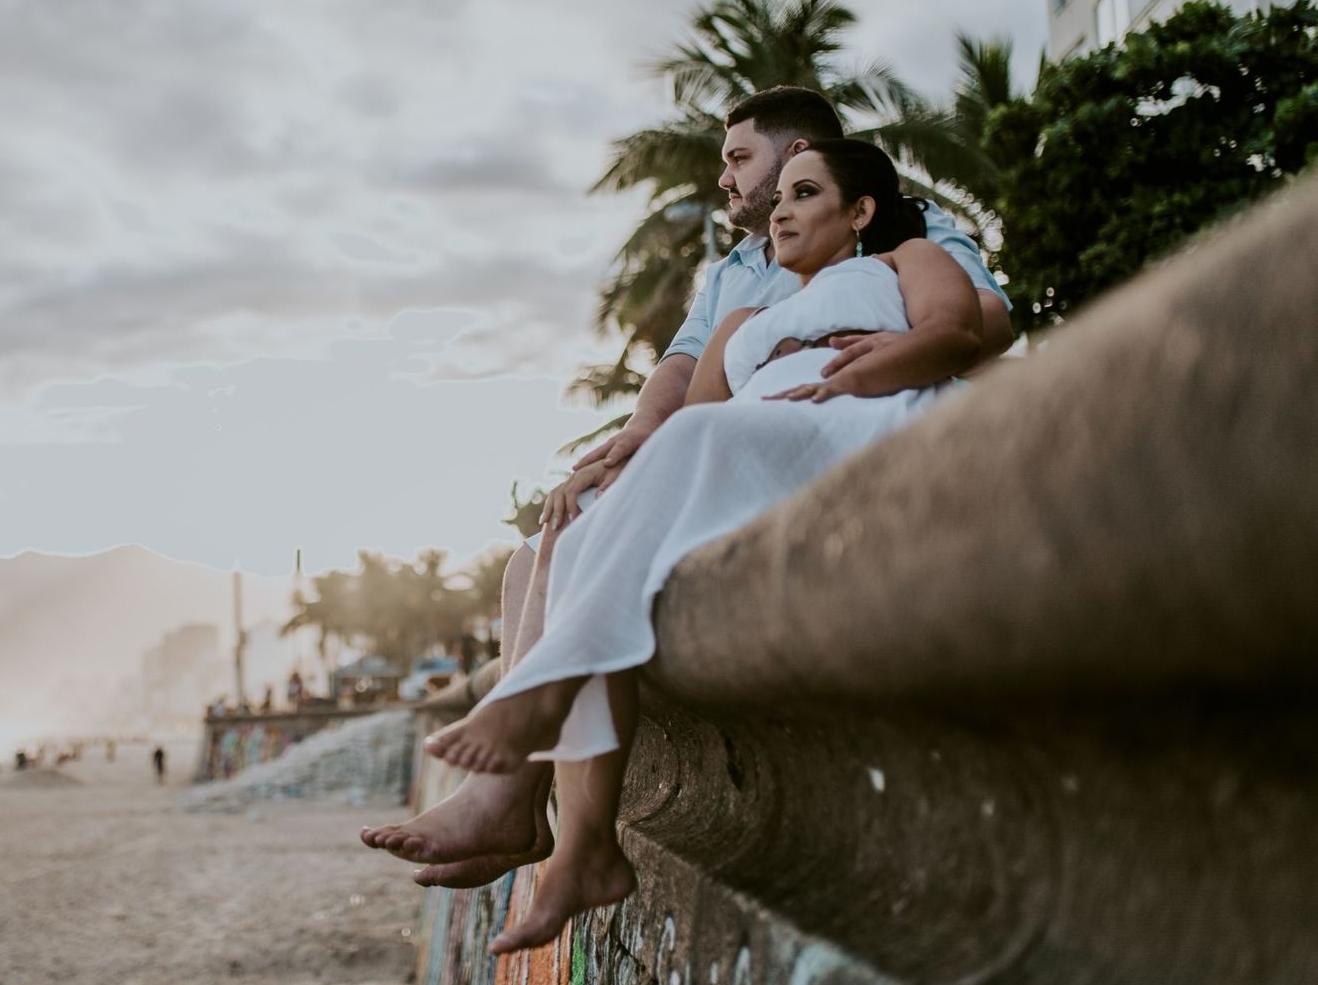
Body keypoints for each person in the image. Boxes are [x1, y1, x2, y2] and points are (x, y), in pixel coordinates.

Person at [361, 88, 1011, 887]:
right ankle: (512, 804)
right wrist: (632, 440)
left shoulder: (901, 228)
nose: (727, 181)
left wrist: (892, 345)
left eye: (740, 159)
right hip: (731, 446)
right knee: (536, 555)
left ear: (800, 151)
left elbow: (983, 319)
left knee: (599, 546)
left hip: (815, 444)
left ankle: (511, 801)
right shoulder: (735, 271)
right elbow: (679, 373)